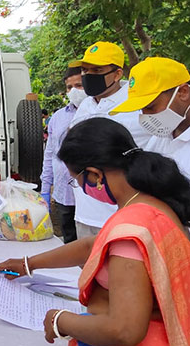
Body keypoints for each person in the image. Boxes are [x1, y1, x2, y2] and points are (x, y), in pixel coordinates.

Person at [0, 117, 190, 346]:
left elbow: (125, 330)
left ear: (96, 175)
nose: (81, 189)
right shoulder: (153, 204)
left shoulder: (131, 227)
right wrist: (28, 263)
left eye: (77, 180)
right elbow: (92, 247)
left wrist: (61, 320)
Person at [69, 41, 151, 238]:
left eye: (97, 70)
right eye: (85, 70)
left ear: (117, 74)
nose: (88, 76)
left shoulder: (137, 106)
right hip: (85, 212)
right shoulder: (85, 104)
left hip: (120, 214)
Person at [110, 56, 190, 180]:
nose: (145, 114)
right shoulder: (161, 138)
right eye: (140, 109)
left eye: (150, 107)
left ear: (183, 92)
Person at [40, 66, 86, 243]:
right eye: (69, 87)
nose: (74, 91)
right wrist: (45, 190)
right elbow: (50, 154)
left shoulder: (100, 112)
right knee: (70, 240)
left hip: (92, 195)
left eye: (79, 85)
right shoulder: (58, 117)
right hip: (64, 194)